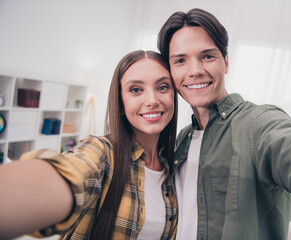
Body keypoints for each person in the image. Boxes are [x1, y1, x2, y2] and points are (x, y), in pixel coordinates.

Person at [157, 8, 291, 240]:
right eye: (180, 60)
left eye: (207, 56)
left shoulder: (258, 124)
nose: (195, 71)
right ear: (171, 72)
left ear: (226, 62)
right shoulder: (180, 140)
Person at [0, 50, 178, 240]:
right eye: (135, 90)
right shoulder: (102, 152)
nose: (152, 100)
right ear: (120, 105)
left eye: (163, 87)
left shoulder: (173, 167)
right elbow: (73, 172)